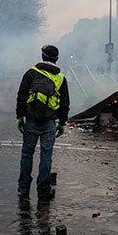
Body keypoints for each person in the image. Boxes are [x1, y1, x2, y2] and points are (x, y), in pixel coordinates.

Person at [16, 45, 70, 201]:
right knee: (46, 157)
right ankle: (43, 190)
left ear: (42, 56)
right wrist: (62, 123)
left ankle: (24, 187)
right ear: (57, 59)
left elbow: (21, 96)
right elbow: (65, 104)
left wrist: (20, 117)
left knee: (27, 154)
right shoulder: (61, 78)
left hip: (31, 120)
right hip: (49, 123)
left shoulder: (31, 73)